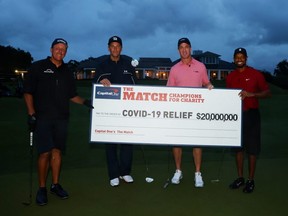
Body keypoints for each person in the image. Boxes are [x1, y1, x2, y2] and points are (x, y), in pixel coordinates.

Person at [23, 38, 93, 206]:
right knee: (44, 153)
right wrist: (31, 113)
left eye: (63, 49)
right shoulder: (38, 67)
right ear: (51, 49)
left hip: (62, 118)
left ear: (66, 51)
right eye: (57, 48)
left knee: (57, 152)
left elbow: (71, 95)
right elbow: (28, 92)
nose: (60, 51)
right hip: (43, 118)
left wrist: (85, 102)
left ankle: (55, 184)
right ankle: (42, 188)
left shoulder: (67, 71)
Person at [166, 37, 213, 187]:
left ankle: (198, 173)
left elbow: (206, 82)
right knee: (177, 142)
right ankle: (178, 171)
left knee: (197, 142)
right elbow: (169, 91)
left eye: (186, 47)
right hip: (179, 112)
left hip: (196, 112)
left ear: (190, 48)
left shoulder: (201, 66)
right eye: (181, 47)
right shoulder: (174, 69)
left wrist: (209, 85)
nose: (184, 49)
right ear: (178, 50)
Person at [93, 36, 137, 187]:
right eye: (112, 46)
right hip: (109, 111)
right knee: (111, 144)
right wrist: (100, 81)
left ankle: (125, 172)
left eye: (118, 46)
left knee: (127, 142)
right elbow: (96, 84)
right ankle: (113, 174)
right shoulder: (102, 65)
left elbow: (135, 87)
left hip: (126, 110)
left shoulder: (128, 65)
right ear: (108, 48)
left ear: (121, 48)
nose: (115, 49)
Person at [226, 47, 270, 193]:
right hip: (236, 117)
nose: (239, 59)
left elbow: (266, 92)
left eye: (242, 56)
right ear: (233, 59)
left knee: (252, 150)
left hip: (251, 116)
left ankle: (251, 180)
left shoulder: (255, 74)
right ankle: (240, 178)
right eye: (237, 57)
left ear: (246, 58)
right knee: (238, 149)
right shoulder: (230, 77)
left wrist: (252, 95)